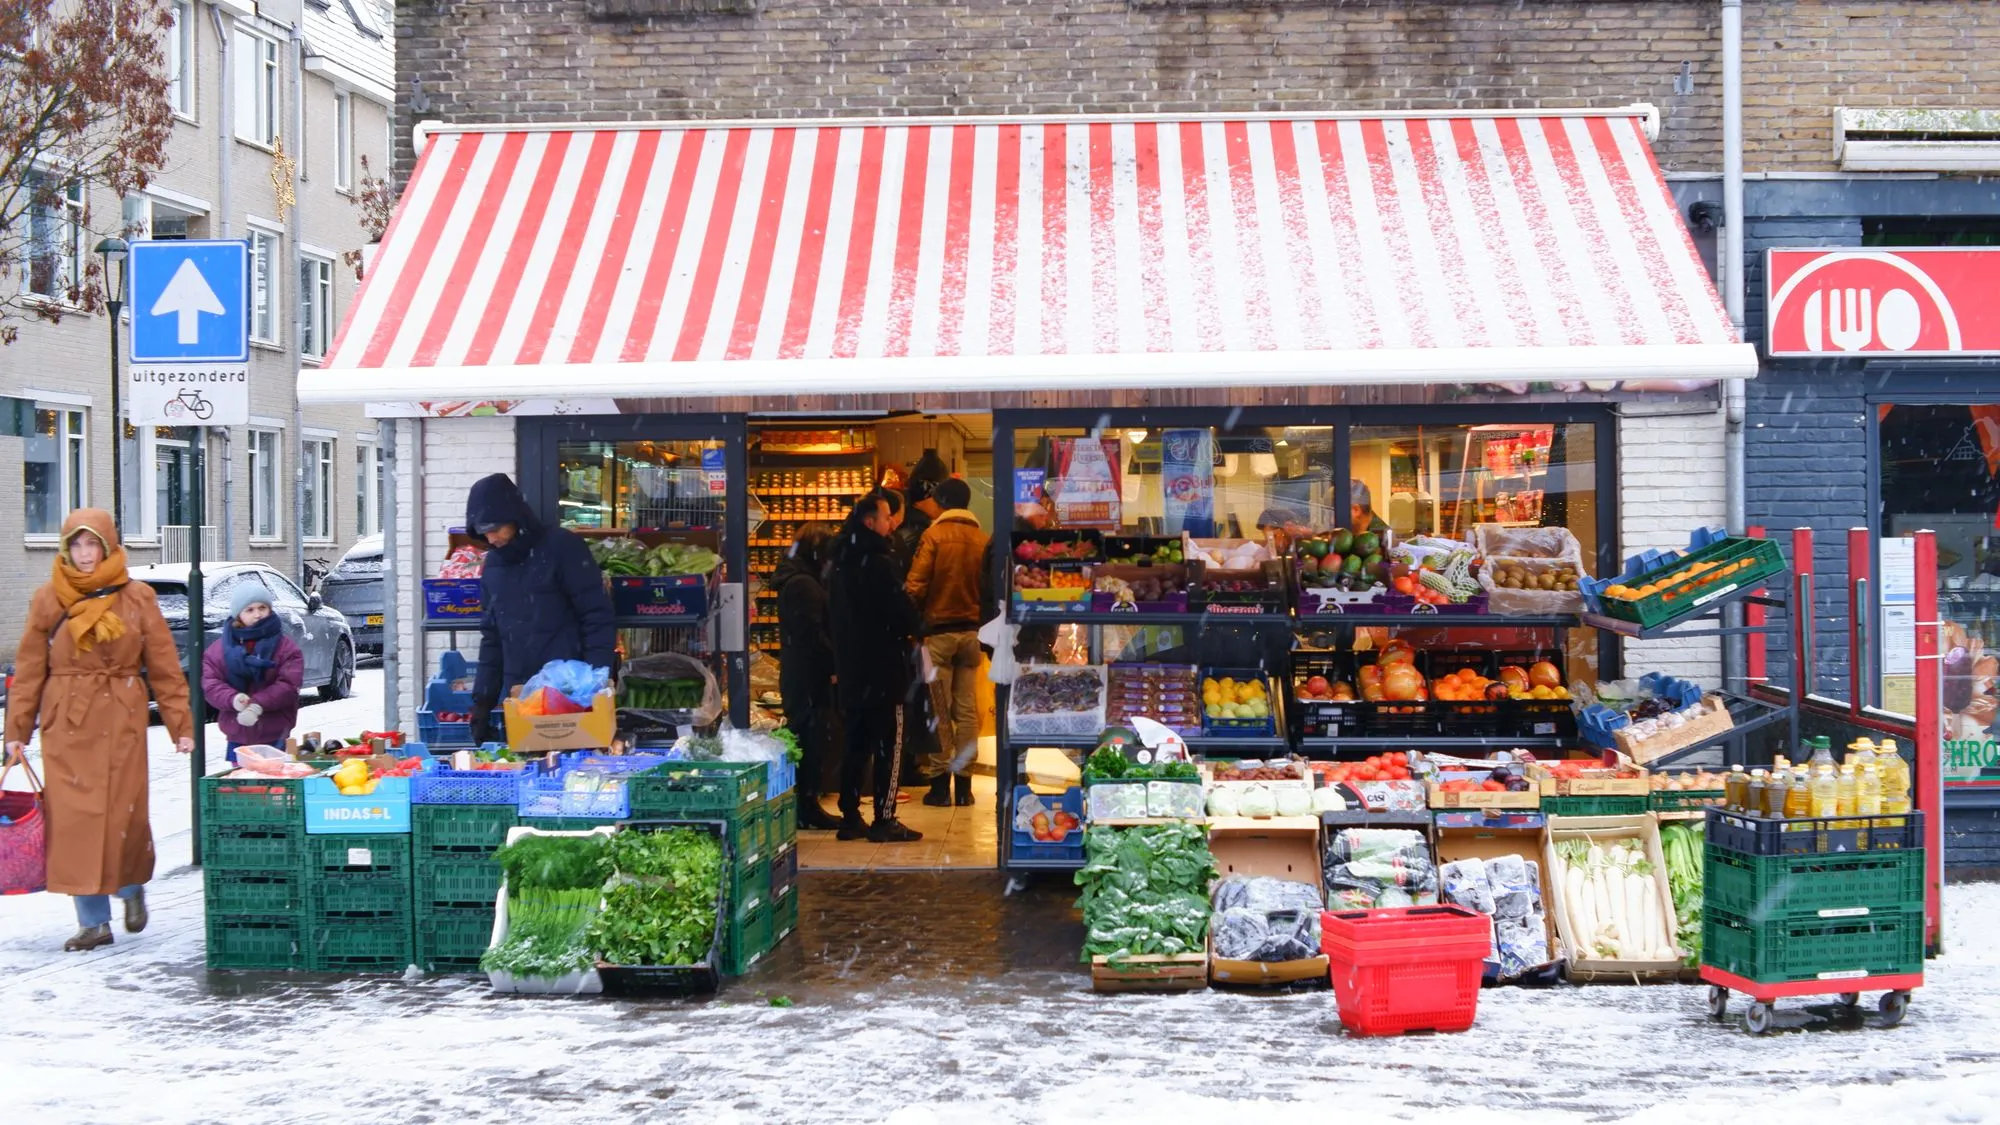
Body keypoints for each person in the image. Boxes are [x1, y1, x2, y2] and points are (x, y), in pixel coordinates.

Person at [4, 510, 194, 952]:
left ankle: (129, 887)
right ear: (65, 548)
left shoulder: (138, 597)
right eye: (76, 545)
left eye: (92, 545)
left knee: (122, 814)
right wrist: (17, 729)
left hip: (121, 716)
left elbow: (164, 666)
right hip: (66, 721)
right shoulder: (48, 598)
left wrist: (179, 724)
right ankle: (93, 922)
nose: (84, 555)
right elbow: (30, 669)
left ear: (107, 547)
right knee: (74, 822)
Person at [463, 473, 617, 744]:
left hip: (570, 691)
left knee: (574, 773)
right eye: (483, 530)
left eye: (496, 528)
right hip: (522, 695)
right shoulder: (493, 568)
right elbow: (492, 638)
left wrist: (595, 680)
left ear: (516, 519)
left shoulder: (562, 547)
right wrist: (483, 702)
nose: (491, 537)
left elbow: (596, 615)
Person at [827, 491, 924, 843]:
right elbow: (900, 611)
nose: (891, 523)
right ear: (870, 522)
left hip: (853, 669)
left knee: (855, 743)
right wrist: (915, 628)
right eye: (886, 518)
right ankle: (885, 817)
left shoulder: (838, 563)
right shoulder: (881, 561)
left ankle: (850, 815)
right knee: (888, 744)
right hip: (884, 670)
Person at [906, 478, 989, 808]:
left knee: (939, 709)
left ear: (940, 503)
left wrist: (913, 624)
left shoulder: (934, 535)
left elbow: (915, 585)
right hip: (972, 635)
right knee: (966, 709)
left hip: (937, 635)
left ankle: (940, 787)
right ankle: (965, 787)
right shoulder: (982, 539)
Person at [772, 522, 844, 831]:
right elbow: (812, 635)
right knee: (810, 738)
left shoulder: (797, 579)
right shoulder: (804, 584)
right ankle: (807, 807)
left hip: (800, 670)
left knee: (808, 735)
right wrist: (835, 664)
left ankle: (807, 804)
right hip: (807, 673)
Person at [202, 581, 305, 764]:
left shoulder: (286, 648)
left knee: (274, 784)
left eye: (262, 608)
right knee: (243, 786)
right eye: (249, 610)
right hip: (238, 733)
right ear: (238, 615)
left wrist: (257, 705)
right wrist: (233, 699)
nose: (257, 614)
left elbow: (288, 685)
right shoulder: (218, 651)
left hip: (275, 730)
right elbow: (211, 684)